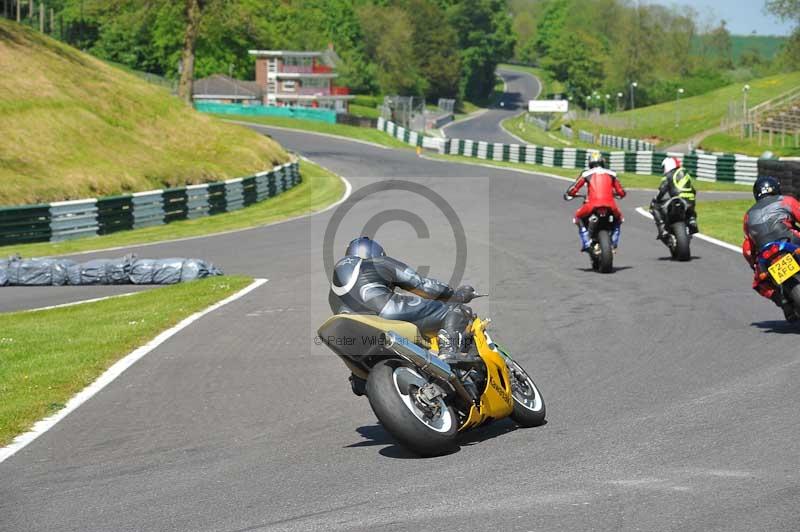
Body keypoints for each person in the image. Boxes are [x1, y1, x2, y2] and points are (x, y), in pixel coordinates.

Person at [329, 237, 478, 370]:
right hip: (387, 311)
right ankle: (449, 352)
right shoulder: (378, 262)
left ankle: (359, 378)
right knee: (455, 310)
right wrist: (457, 295)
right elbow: (424, 285)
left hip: (352, 333)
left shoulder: (332, 293)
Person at [742, 176, 800, 321]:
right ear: (776, 188)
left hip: (766, 255)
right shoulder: (786, 201)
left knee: (758, 282)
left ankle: (782, 301)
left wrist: (753, 264)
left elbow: (748, 246)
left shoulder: (748, 216)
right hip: (791, 242)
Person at [564, 150, 626, 251]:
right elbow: (621, 192)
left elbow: (573, 189)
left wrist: (572, 194)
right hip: (610, 205)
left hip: (591, 205)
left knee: (577, 216)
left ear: (590, 163)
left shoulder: (586, 174)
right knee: (619, 219)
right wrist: (617, 194)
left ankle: (586, 241)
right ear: (603, 162)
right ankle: (614, 241)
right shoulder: (612, 173)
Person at [650, 157, 698, 240]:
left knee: (654, 206)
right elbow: (693, 190)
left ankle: (662, 228)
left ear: (668, 166)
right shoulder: (685, 173)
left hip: (676, 199)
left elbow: (662, 190)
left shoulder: (669, 175)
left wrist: (656, 199)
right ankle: (692, 220)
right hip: (690, 201)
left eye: (664, 167)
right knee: (691, 207)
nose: (663, 170)